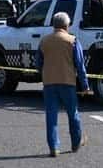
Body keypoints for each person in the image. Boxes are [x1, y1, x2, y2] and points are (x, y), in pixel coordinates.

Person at [35, 12, 89, 157]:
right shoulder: (72, 41)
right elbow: (80, 65)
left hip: (49, 83)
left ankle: (54, 147)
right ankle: (76, 142)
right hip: (67, 82)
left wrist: (45, 72)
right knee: (73, 114)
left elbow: (38, 64)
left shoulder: (44, 41)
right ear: (67, 25)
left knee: (51, 116)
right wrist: (85, 85)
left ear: (53, 25)